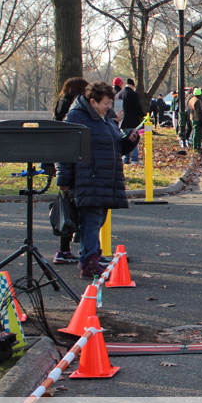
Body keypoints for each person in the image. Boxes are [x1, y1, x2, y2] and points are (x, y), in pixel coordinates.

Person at [57, 82, 139, 279]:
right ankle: (89, 262)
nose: (109, 107)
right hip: (88, 177)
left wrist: (129, 141)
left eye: (110, 103)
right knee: (91, 222)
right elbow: (65, 151)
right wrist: (64, 180)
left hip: (104, 178)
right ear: (92, 101)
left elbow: (114, 146)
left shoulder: (105, 119)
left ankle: (90, 259)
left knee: (97, 221)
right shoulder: (76, 118)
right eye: (105, 103)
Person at [50, 77, 89, 265]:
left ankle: (64, 248)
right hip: (71, 160)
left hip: (62, 159)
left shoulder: (61, 105)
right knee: (72, 206)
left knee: (67, 206)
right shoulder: (73, 110)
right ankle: (67, 248)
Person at [115, 78, 145, 165]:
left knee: (125, 139)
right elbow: (137, 107)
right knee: (133, 139)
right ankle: (134, 159)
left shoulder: (118, 94)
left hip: (121, 121)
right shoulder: (133, 94)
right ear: (132, 86)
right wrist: (143, 116)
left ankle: (126, 158)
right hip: (132, 121)